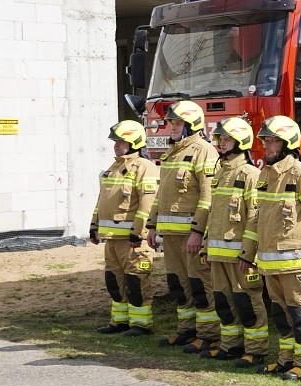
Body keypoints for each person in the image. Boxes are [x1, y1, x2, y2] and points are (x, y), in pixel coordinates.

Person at [238, 115, 301, 381]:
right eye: (265, 140)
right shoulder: (265, 175)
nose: (266, 145)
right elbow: (256, 218)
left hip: (296, 266)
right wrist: (248, 253)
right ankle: (285, 360)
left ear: (288, 143)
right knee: (281, 316)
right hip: (271, 266)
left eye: (272, 141)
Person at [147, 100, 218, 353]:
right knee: (178, 285)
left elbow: (208, 196)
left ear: (192, 125)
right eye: (171, 123)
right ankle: (187, 331)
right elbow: (161, 195)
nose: (173, 127)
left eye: (178, 123)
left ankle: (209, 336)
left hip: (190, 235)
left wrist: (198, 232)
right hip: (171, 235)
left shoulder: (204, 151)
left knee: (200, 285)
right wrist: (152, 225)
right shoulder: (172, 153)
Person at [197, 116, 268, 366]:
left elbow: (255, 218)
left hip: (240, 258)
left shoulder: (251, 175)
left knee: (247, 302)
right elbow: (213, 215)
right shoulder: (220, 173)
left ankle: (256, 351)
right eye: (220, 138)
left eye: (227, 138)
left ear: (241, 141)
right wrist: (206, 248)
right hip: (218, 254)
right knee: (224, 302)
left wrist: (248, 254)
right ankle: (230, 347)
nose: (222, 142)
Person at [90, 120, 159, 336]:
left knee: (136, 282)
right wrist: (94, 225)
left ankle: (141, 325)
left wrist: (139, 232)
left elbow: (148, 204)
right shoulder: (113, 168)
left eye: (121, 141)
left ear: (134, 142)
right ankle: (119, 322)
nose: (116, 145)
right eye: (115, 141)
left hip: (133, 241)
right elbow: (102, 200)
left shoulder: (145, 168)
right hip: (112, 239)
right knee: (114, 281)